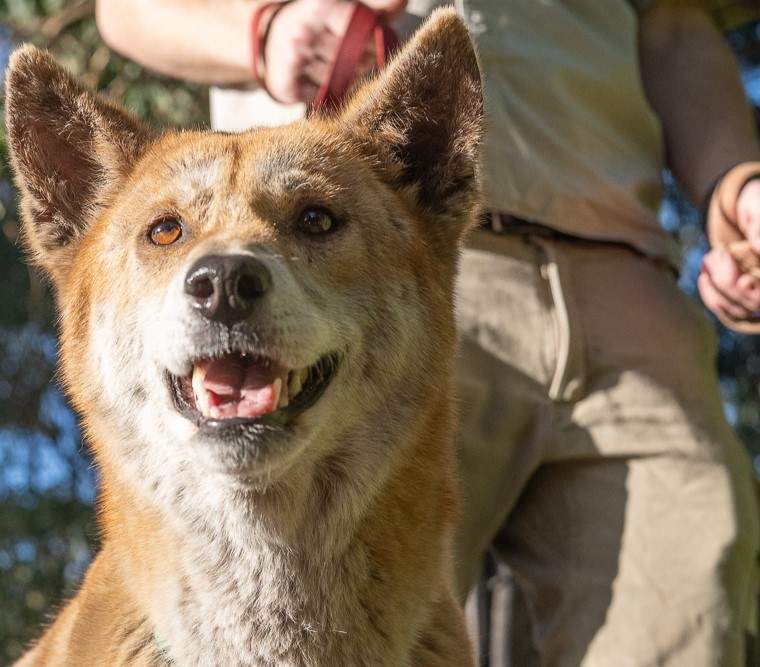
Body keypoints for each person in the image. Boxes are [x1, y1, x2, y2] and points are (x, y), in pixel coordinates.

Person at [94, 1, 760, 663]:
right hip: (351, 286)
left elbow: (674, 27)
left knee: (692, 622)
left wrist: (735, 188)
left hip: (627, 284)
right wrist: (261, 31)